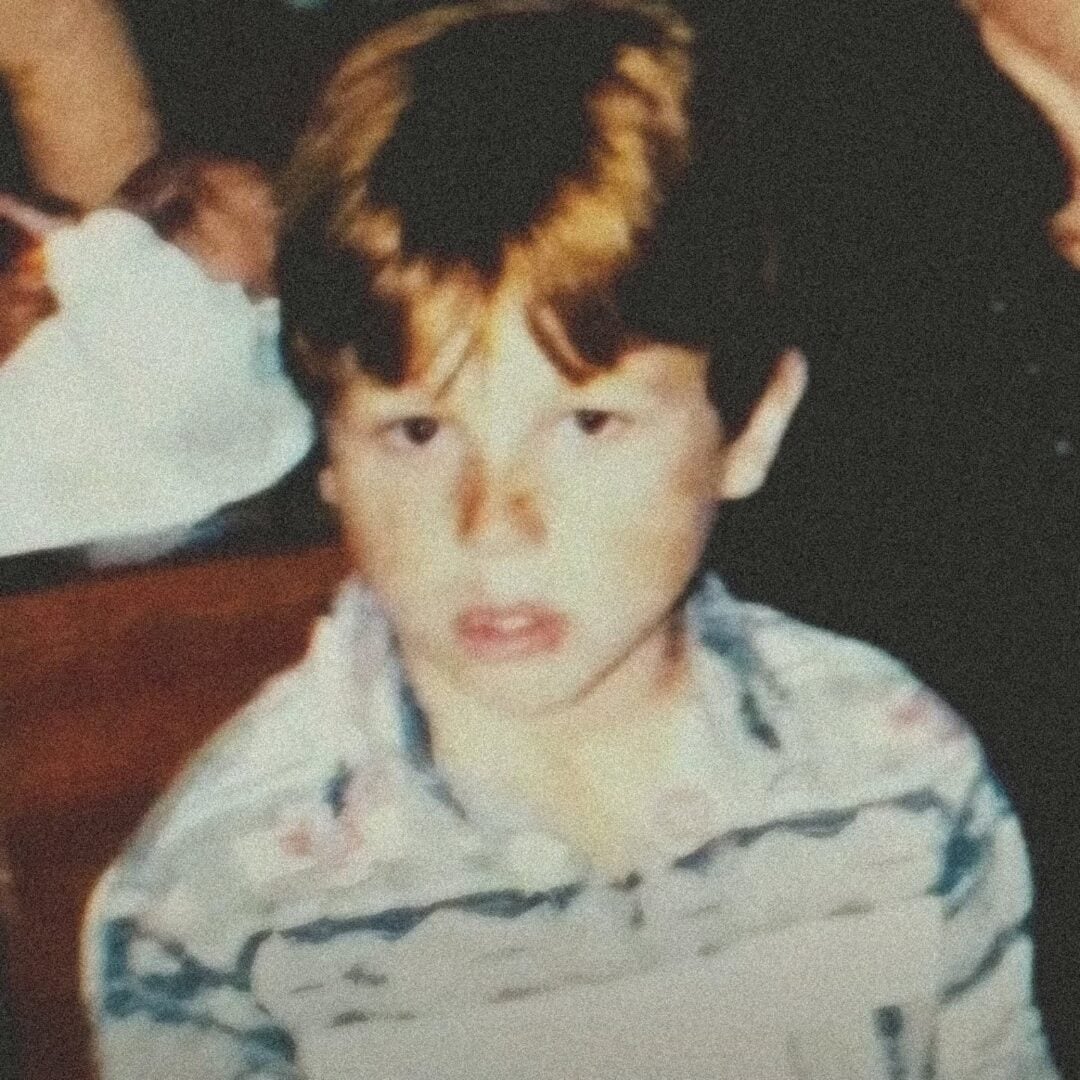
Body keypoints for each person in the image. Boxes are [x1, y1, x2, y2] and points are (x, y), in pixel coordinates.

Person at [77, 2, 1059, 1078]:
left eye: (589, 423)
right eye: (417, 430)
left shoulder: (898, 771)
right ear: (329, 452)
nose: (494, 524)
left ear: (752, 429)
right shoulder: (222, 899)